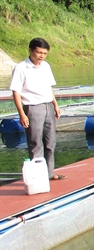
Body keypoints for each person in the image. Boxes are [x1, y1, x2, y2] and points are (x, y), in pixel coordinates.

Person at [9, 38, 65, 180]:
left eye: (44, 53)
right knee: (35, 143)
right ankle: (38, 176)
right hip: (33, 107)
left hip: (48, 106)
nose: (41, 56)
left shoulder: (45, 66)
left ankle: (49, 172)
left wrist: (55, 105)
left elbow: (49, 87)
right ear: (31, 50)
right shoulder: (21, 68)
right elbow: (16, 91)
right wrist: (22, 113)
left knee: (50, 142)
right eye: (39, 52)